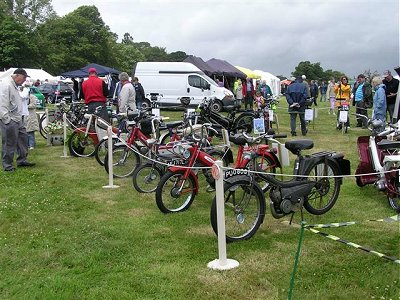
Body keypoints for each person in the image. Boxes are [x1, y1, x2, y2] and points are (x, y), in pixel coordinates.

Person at [0, 68, 35, 171]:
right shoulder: (6, 85)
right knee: (9, 142)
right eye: (24, 77)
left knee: (23, 139)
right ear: (17, 75)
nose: (24, 80)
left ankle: (22, 160)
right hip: (9, 119)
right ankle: (7, 166)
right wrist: (6, 119)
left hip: (17, 118)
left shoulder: (14, 85)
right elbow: (2, 103)